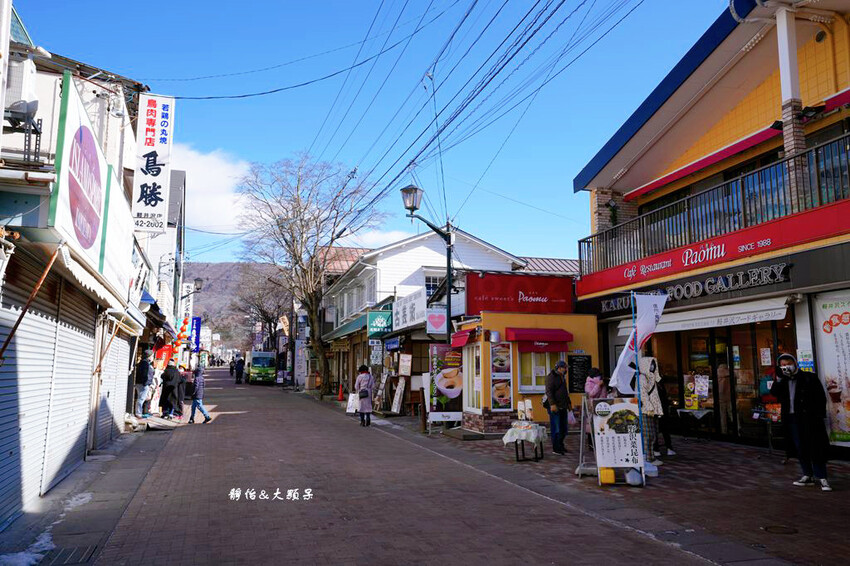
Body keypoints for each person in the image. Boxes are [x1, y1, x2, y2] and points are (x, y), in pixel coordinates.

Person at [772, 354, 831, 491]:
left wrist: (818, 415)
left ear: (795, 363)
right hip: (791, 418)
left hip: (809, 419)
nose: (786, 367)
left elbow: (820, 397)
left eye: (788, 363)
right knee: (800, 447)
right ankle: (807, 474)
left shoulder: (808, 377)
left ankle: (822, 477)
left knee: (815, 446)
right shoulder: (783, 380)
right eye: (783, 365)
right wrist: (779, 379)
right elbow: (774, 393)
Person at [545, 360, 571, 455]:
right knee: (556, 428)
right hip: (555, 406)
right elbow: (549, 392)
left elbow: (565, 392)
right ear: (559, 368)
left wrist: (569, 404)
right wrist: (552, 404)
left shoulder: (562, 377)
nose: (566, 369)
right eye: (565, 368)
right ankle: (556, 448)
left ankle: (561, 445)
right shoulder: (551, 377)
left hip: (563, 405)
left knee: (563, 428)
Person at [584, 367, 608, 451]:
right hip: (592, 407)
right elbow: (591, 394)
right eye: (598, 376)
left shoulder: (602, 383)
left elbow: (604, 394)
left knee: (601, 424)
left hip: (602, 406)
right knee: (592, 426)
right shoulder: (589, 383)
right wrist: (598, 385)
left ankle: (600, 443)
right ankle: (591, 444)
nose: (599, 377)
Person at [654, 381, 676, 457]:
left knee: (655, 430)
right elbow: (665, 398)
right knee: (665, 430)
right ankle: (669, 448)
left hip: (655, 410)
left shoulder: (649, 383)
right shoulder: (660, 384)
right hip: (663, 410)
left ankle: (656, 449)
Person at [134, 350, 154, 418]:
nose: (152, 357)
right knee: (141, 399)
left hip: (140, 383)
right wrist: (146, 383)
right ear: (149, 356)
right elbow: (144, 374)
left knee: (140, 398)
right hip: (143, 384)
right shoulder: (145, 364)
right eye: (152, 356)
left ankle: (139, 412)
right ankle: (138, 413)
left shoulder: (142, 362)